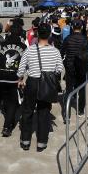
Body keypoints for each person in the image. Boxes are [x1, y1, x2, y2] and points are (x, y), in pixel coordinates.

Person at [17, 23, 65, 151]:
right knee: (44, 113)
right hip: (47, 84)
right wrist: (50, 74)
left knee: (27, 112)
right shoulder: (55, 51)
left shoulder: (30, 50)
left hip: (32, 82)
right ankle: (41, 142)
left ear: (37, 34)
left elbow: (21, 68)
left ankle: (25, 141)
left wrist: (20, 79)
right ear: (49, 34)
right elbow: (59, 69)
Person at [0, 25, 27, 137]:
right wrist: (24, 75)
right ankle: (7, 126)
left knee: (6, 100)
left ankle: (9, 120)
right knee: (13, 102)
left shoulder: (1, 44)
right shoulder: (24, 46)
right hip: (16, 78)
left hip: (2, 77)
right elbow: (28, 62)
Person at [61, 20, 88, 119]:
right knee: (82, 89)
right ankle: (81, 110)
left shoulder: (68, 38)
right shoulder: (85, 39)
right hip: (81, 66)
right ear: (81, 27)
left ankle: (66, 113)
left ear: (72, 27)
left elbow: (62, 53)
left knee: (69, 90)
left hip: (70, 67)